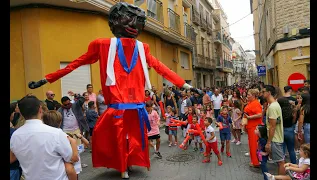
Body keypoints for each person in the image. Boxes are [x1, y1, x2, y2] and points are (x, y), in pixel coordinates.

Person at [27, 2, 194, 178]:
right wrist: (47, 78)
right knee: (119, 138)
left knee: (130, 139)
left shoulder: (142, 47)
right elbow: (76, 63)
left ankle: (126, 165)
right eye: (129, 19)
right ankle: (123, 167)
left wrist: (186, 86)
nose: (133, 24)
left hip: (134, 108)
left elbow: (161, 67)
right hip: (120, 109)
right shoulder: (103, 45)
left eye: (137, 21)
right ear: (115, 21)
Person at [10, 95, 76, 180]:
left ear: (21, 113)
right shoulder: (55, 133)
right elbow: (70, 158)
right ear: (40, 109)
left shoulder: (15, 136)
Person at [42, 110, 79, 180]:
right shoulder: (60, 135)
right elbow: (73, 158)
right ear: (60, 122)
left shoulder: (41, 135)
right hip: (63, 173)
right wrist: (73, 142)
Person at [263, 85, 285, 175]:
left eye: (263, 91)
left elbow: (273, 126)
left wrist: (268, 142)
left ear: (269, 93)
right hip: (276, 137)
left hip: (275, 138)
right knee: (280, 162)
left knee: (280, 162)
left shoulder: (272, 107)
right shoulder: (273, 105)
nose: (262, 93)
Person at [243, 88, 263, 167]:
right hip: (250, 126)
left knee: (254, 144)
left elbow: (260, 114)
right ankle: (254, 161)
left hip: (254, 127)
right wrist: (245, 125)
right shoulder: (251, 102)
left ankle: (256, 162)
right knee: (252, 144)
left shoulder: (255, 103)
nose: (247, 96)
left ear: (254, 95)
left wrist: (249, 118)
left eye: (249, 95)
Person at [277, 97, 296, 164]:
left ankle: (282, 164)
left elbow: (277, 122)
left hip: (281, 130)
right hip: (290, 130)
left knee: (282, 149)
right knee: (291, 149)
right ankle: (294, 164)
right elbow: (293, 121)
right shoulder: (292, 111)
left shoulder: (279, 111)